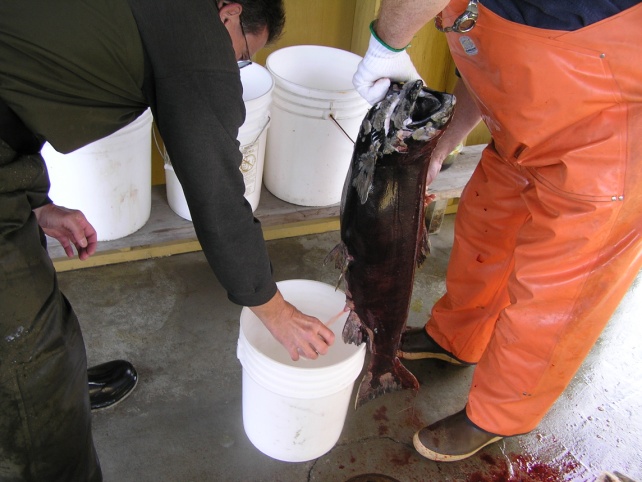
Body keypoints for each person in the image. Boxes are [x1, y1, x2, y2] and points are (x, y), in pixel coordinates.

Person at [0, 0, 335, 479]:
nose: (234, 67)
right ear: (229, 13)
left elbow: (20, 74)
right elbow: (216, 192)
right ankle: (44, 403)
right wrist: (272, 308)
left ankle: (59, 389)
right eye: (242, 54)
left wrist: (35, 202)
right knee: (28, 357)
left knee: (34, 307)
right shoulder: (196, 33)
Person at [353, 0, 642, 463]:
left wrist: (386, 45)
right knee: (483, 232)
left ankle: (497, 415)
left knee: (554, 298)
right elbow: (486, 63)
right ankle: (457, 340)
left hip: (606, 144)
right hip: (520, 131)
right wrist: (446, 142)